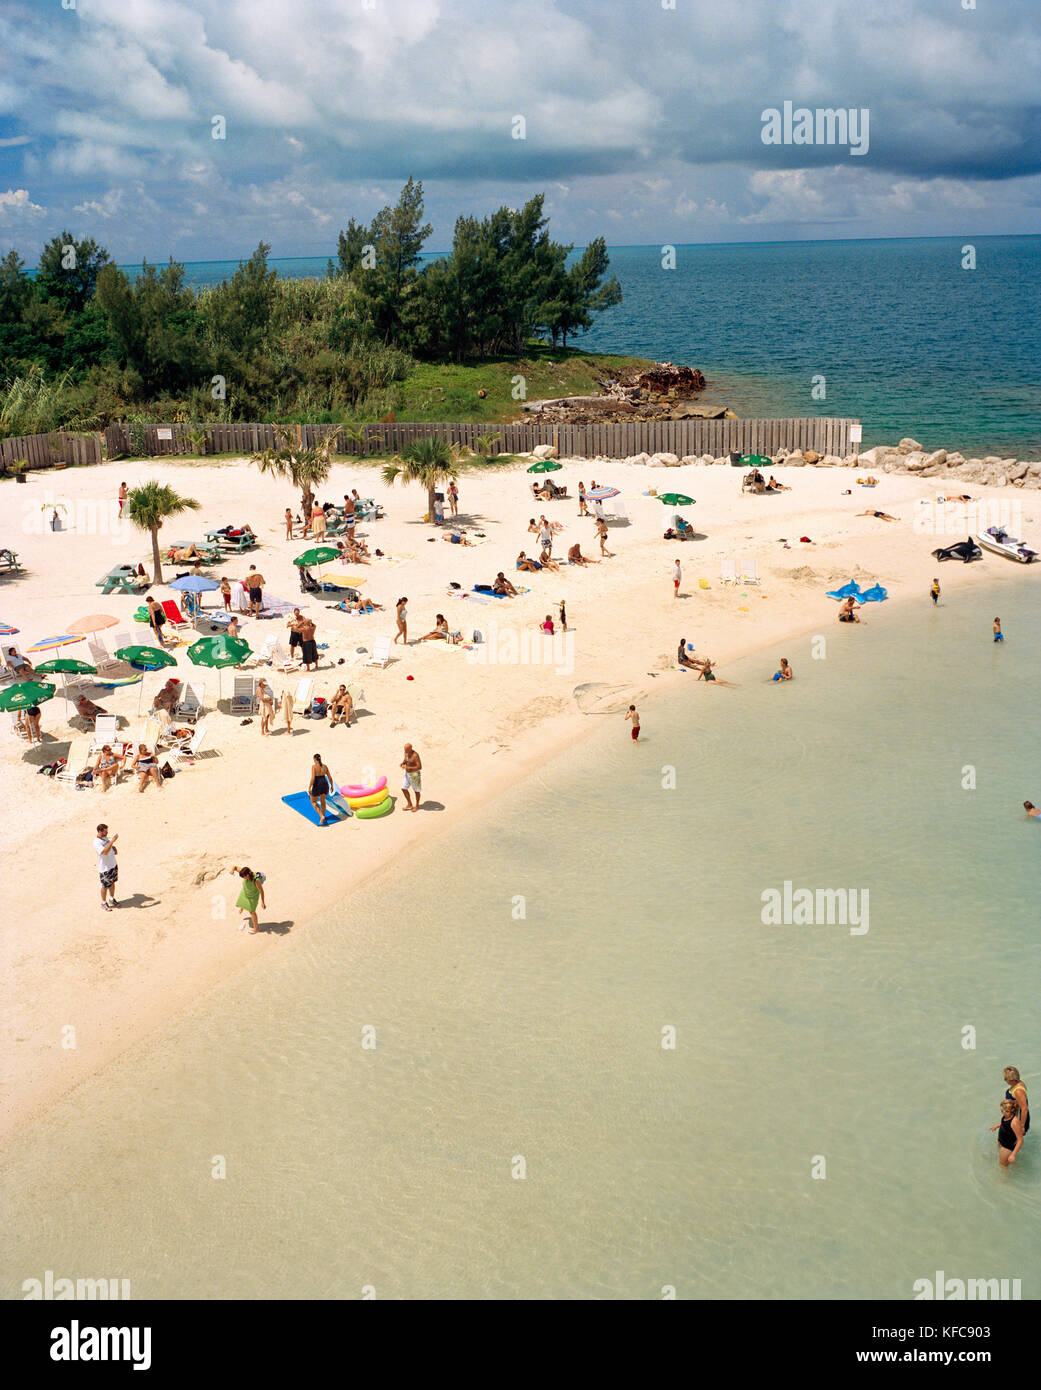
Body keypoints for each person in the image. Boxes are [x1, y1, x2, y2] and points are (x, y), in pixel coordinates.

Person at [990, 1097, 1024, 1168]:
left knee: (1003, 1166)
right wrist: (997, 1126)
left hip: (1007, 1146)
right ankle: (1013, 1163)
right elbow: (1004, 1123)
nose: (1001, 1112)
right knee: (1003, 1159)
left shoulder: (1014, 1122)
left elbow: (1020, 1140)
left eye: (1003, 1111)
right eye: (1001, 1110)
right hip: (1002, 1140)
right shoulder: (1006, 1116)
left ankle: (1003, 1179)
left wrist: (1013, 1155)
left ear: (1009, 1111)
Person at [233, 866, 266, 934]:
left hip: (252, 897)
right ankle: (243, 907)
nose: (244, 878)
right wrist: (232, 870)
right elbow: (235, 867)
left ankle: (256, 929)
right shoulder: (243, 872)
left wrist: (262, 902)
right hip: (245, 892)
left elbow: (261, 891)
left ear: (248, 874)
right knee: (239, 904)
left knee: (252, 912)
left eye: (244, 877)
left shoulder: (255, 880)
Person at [95, 823, 120, 910]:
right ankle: (103, 903)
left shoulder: (105, 838)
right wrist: (112, 841)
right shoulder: (96, 842)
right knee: (104, 886)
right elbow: (104, 852)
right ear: (99, 831)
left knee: (112, 883)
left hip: (113, 865)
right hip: (105, 869)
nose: (107, 833)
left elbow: (108, 847)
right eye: (105, 831)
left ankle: (112, 899)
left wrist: (113, 848)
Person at [1003, 1066, 1029, 1137]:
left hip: (1017, 1120)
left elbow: (1024, 1109)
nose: (1004, 1080)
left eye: (1006, 1078)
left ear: (1012, 1079)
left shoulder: (1018, 1091)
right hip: (1012, 1117)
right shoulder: (1017, 1083)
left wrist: (1022, 1126)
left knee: (1012, 1143)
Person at [309, 753, 333, 824]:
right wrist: (332, 786)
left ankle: (321, 816)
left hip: (317, 784)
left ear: (314, 759)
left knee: (313, 802)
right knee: (323, 801)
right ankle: (323, 817)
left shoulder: (314, 767)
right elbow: (330, 778)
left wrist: (309, 787)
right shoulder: (325, 766)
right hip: (325, 784)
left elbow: (313, 778)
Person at [401, 743, 422, 812]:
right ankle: (409, 804)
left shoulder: (415, 755)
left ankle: (417, 805)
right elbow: (406, 759)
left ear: (411, 748)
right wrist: (403, 763)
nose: (405, 751)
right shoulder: (406, 753)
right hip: (407, 774)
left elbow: (419, 767)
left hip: (415, 775)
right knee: (403, 788)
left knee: (416, 791)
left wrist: (407, 767)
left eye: (406, 750)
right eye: (405, 749)